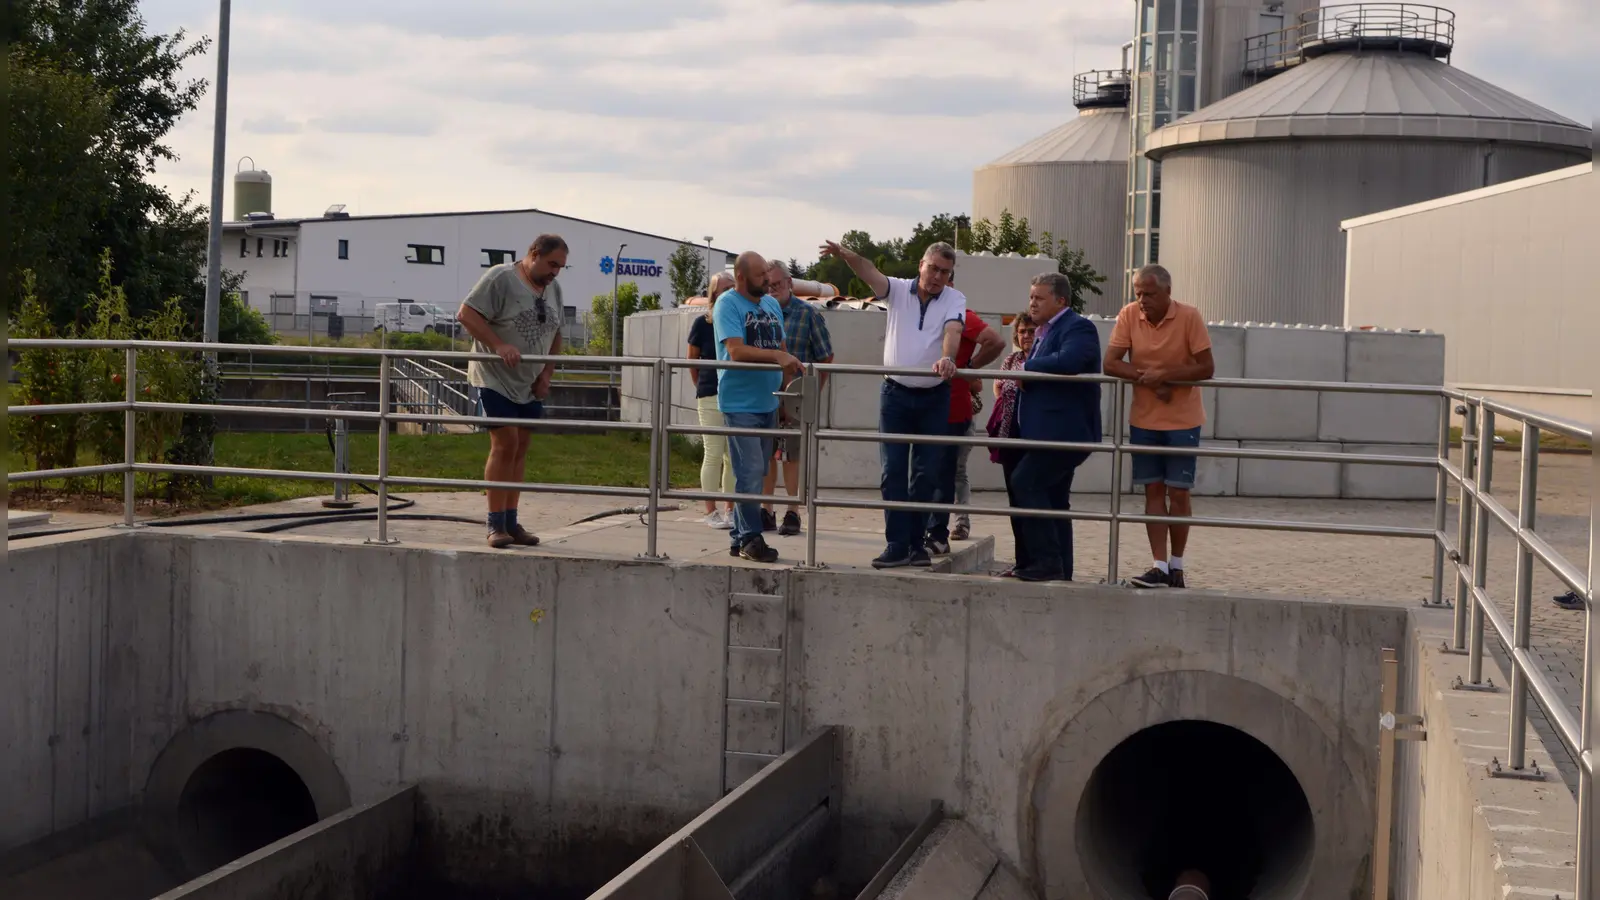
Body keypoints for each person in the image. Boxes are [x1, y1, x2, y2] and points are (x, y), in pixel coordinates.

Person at [819, 239, 965, 569]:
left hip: (934, 396)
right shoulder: (897, 290)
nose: (937, 277)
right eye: (933, 268)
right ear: (921, 266)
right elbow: (869, 272)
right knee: (893, 472)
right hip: (896, 395)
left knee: (926, 475)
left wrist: (947, 357)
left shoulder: (955, 298)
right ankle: (897, 544)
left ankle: (916, 543)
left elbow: (953, 329)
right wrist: (846, 255)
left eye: (945, 272)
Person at [1104, 263, 1215, 589]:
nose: (1143, 300)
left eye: (1149, 294)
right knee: (1152, 490)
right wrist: (1150, 380)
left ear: (1168, 292)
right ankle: (1159, 566)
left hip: (1183, 420)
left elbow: (1206, 367)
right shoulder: (1128, 315)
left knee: (1178, 492)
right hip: (1144, 419)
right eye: (1138, 293)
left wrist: (1166, 377)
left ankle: (1177, 566)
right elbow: (1110, 363)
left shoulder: (1189, 316)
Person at [456, 234, 568, 549]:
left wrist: (547, 373)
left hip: (529, 382)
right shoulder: (500, 278)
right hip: (495, 378)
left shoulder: (554, 289)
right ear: (533, 254)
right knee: (506, 443)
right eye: (551, 264)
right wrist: (498, 345)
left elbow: (557, 333)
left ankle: (510, 520)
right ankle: (495, 524)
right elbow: (466, 314)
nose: (555, 272)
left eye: (560, 267)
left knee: (520, 448)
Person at [1006, 273, 1102, 582]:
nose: (1032, 303)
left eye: (1039, 298)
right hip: (1045, 433)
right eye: (1031, 297)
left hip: (1064, 433)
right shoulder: (1043, 331)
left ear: (1060, 301)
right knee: (1055, 500)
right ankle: (1060, 570)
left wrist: (1027, 368)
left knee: (1025, 482)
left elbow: (1070, 361)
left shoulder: (1078, 327)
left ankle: (1047, 562)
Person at [713, 252, 801, 563]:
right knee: (749, 471)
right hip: (740, 403)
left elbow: (782, 348)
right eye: (760, 274)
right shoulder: (727, 304)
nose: (767, 280)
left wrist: (786, 396)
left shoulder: (771, 305)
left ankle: (740, 538)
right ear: (741, 277)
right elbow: (735, 350)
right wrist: (777, 357)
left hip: (768, 402)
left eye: (767, 273)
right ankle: (751, 537)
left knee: (759, 471)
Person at [761, 259, 834, 537]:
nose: (773, 289)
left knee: (792, 456)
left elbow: (826, 356)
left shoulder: (808, 314)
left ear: (789, 283)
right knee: (766, 454)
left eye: (777, 284)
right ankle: (765, 509)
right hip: (765, 395)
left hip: (795, 397)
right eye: (768, 285)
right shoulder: (759, 314)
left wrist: (811, 395)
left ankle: (793, 511)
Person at [926, 309, 1005, 555]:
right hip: (923, 407)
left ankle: (946, 528)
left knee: (951, 472)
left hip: (954, 411)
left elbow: (995, 343)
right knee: (924, 471)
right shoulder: (917, 313)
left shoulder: (961, 315)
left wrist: (967, 367)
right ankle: (922, 530)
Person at [986, 312, 1038, 578]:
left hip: (1033, 439)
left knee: (1032, 501)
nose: (1027, 335)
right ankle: (1021, 562)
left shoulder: (1041, 360)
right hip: (1010, 437)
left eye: (1031, 331)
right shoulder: (1010, 360)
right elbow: (998, 387)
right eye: (1022, 331)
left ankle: (1036, 560)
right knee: (1015, 502)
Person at [686, 272, 738, 529]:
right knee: (713, 453)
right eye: (724, 289)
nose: (729, 292)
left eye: (732, 287)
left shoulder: (738, 321)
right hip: (710, 393)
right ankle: (710, 511)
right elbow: (692, 361)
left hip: (735, 393)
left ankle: (730, 509)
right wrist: (702, 386)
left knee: (732, 456)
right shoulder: (702, 323)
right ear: (714, 294)